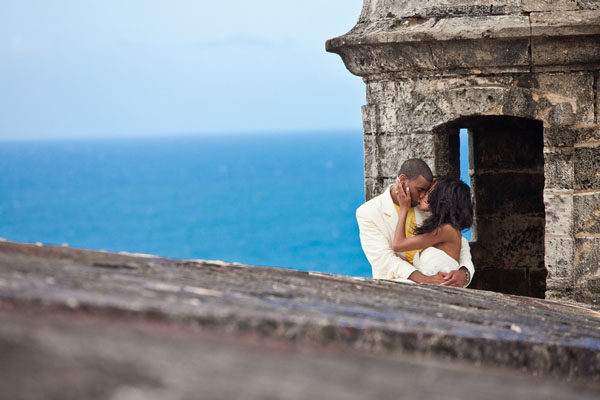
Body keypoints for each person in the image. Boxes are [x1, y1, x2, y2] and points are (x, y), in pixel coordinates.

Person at [356, 159, 474, 287]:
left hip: (440, 286)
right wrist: (425, 279)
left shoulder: (428, 207)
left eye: (427, 191)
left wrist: (464, 272)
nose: (422, 196)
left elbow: (460, 243)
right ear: (402, 181)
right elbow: (383, 260)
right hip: (396, 289)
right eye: (420, 190)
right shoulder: (368, 212)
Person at [392, 177, 473, 282]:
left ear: (441, 198)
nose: (423, 195)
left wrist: (404, 208)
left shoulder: (445, 230)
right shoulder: (447, 229)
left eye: (429, 192)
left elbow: (398, 245)